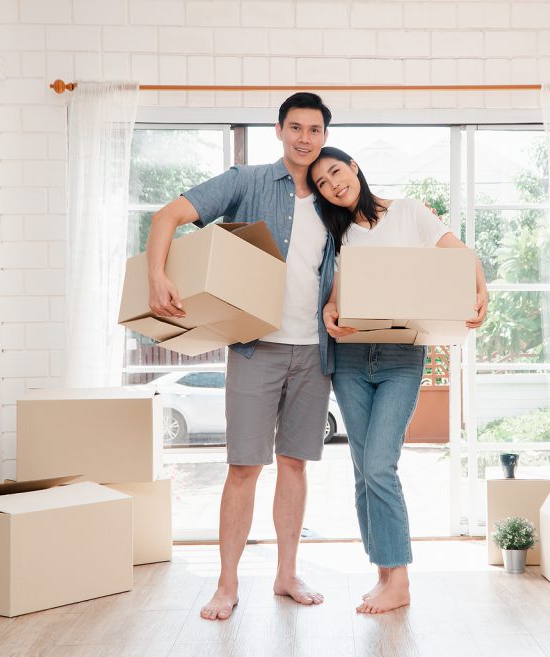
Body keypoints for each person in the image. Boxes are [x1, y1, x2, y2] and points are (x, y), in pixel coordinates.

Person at [146, 93, 336, 621]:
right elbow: (169, 216)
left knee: (295, 465)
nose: (305, 138)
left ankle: (286, 574)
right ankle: (226, 584)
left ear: (324, 135)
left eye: (314, 129)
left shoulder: (333, 195)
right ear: (279, 130)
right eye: (295, 127)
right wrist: (157, 275)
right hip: (256, 348)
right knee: (244, 468)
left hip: (314, 353)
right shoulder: (246, 181)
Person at [308, 147, 488, 614]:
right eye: (323, 184)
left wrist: (481, 288)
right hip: (350, 356)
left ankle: (400, 579)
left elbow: (461, 256)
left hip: (402, 355)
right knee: (362, 469)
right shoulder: (338, 231)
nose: (333, 185)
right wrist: (330, 311)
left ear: (355, 168)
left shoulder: (408, 212)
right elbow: (335, 296)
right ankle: (384, 572)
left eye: (335, 173)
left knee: (380, 465)